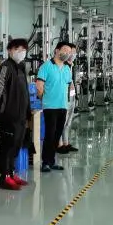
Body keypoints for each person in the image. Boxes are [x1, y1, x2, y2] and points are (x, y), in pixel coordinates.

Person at [0, 39, 31, 190]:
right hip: (8, 116)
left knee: (16, 145)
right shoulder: (5, 67)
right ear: (9, 50)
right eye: (17, 49)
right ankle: (4, 177)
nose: (21, 52)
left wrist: (27, 111)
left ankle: (12, 172)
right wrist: (4, 110)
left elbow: (25, 91)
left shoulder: (21, 67)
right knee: (7, 146)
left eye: (23, 49)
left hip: (21, 115)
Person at [36, 41, 73, 173]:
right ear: (57, 50)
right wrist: (45, 100)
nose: (67, 53)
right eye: (65, 50)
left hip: (63, 106)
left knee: (57, 135)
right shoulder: (46, 66)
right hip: (50, 107)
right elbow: (39, 86)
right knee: (50, 135)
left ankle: (51, 161)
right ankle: (45, 163)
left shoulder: (67, 69)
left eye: (69, 52)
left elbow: (69, 86)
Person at [58, 43, 79, 154]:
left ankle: (66, 143)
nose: (73, 54)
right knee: (62, 122)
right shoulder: (63, 66)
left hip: (72, 96)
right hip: (64, 98)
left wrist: (76, 94)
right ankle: (59, 144)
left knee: (68, 123)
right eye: (71, 52)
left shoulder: (72, 66)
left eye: (74, 52)